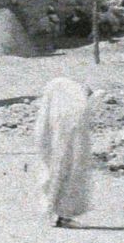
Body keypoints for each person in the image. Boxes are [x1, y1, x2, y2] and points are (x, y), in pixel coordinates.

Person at [35, 75, 95, 226]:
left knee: (55, 174)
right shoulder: (73, 108)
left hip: (57, 143)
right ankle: (61, 214)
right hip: (67, 145)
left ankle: (54, 212)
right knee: (67, 174)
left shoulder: (55, 103)